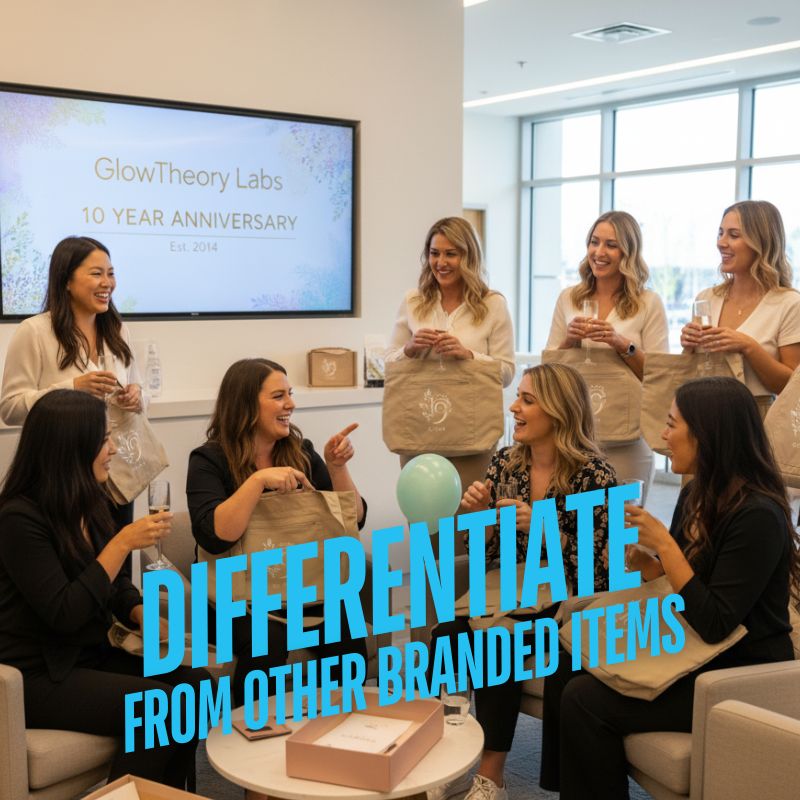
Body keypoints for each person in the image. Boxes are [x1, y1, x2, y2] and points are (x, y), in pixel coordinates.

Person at [540, 377, 798, 800]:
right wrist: (648, 564)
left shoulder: (759, 515)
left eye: (672, 424)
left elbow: (716, 621)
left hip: (739, 667)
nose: (663, 435)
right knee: (565, 664)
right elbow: (681, 587)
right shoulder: (698, 491)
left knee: (585, 699)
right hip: (690, 641)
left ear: (707, 433)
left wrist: (663, 544)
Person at [0, 390, 207, 788]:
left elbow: (114, 586)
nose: (113, 449)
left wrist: (139, 613)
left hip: (91, 653)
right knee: (155, 706)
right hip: (40, 672)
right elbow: (65, 612)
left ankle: (165, 796)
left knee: (196, 686)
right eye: (104, 440)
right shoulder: (18, 520)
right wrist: (121, 544)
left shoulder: (88, 501)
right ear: (71, 448)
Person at [429, 363, 616, 800]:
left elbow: (601, 572)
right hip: (505, 592)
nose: (514, 407)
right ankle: (440, 758)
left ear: (559, 411)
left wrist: (544, 529)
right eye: (518, 397)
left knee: (498, 642)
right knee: (445, 636)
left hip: (569, 602)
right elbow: (482, 555)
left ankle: (491, 776)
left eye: (527, 400)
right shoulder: (504, 463)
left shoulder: (595, 476)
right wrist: (476, 520)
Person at [186, 358, 368, 705]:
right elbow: (213, 535)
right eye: (278, 396)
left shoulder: (302, 452)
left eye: (291, 394)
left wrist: (337, 467)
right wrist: (257, 482)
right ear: (245, 406)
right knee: (266, 642)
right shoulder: (208, 460)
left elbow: (353, 519)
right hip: (234, 601)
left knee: (346, 629)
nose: (291, 404)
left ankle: (340, 730)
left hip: (302, 591)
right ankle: (251, 740)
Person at [0, 235, 144, 529]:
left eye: (111, 273)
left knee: (118, 563)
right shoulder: (35, 332)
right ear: (66, 280)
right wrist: (72, 389)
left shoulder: (117, 330)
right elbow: (9, 407)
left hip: (115, 475)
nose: (107, 283)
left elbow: (138, 388)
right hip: (59, 480)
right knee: (72, 568)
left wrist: (136, 396)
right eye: (96, 273)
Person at [385, 216, 516, 493]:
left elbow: (506, 372)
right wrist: (409, 350)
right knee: (424, 524)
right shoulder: (413, 301)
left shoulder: (493, 304)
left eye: (450, 254)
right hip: (419, 433)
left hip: (473, 437)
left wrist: (469, 355)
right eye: (434, 253)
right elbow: (388, 364)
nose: (440, 262)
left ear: (469, 257)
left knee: (470, 524)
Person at [546, 210, 668, 503]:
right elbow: (548, 370)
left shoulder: (648, 303)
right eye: (594, 242)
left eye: (610, 245)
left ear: (628, 251)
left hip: (626, 438)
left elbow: (658, 375)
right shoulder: (568, 298)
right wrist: (569, 339)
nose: (599, 252)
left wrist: (621, 343)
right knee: (575, 530)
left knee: (622, 530)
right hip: (573, 436)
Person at [680, 200, 800, 412]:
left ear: (761, 242)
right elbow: (692, 373)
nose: (721, 242)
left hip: (754, 419)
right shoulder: (707, 298)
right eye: (720, 233)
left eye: (733, 235)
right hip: (703, 415)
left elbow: (791, 386)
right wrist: (688, 346)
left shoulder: (789, 304)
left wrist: (748, 346)